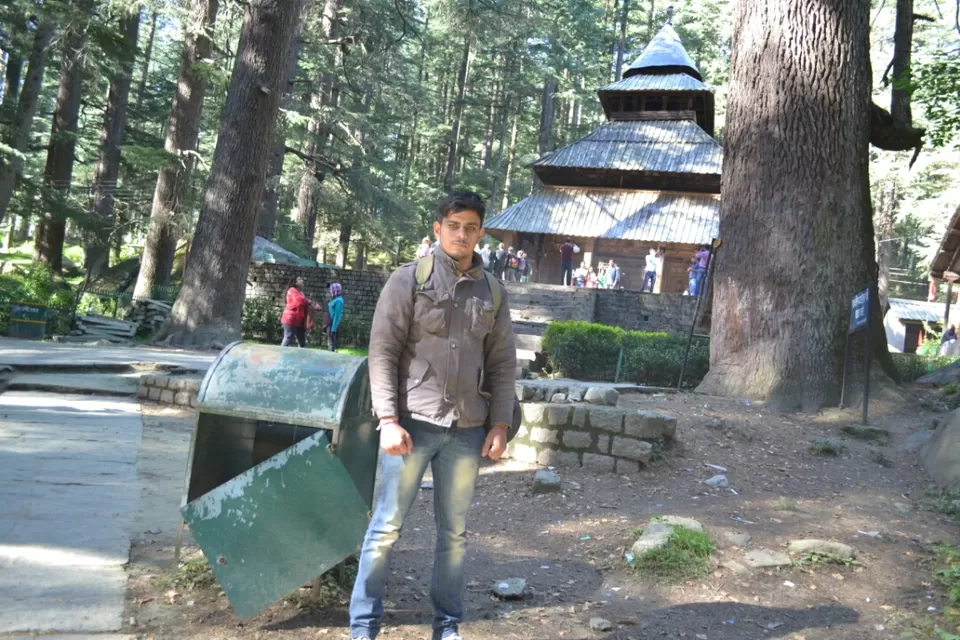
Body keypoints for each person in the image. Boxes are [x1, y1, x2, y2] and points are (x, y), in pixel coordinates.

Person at [351, 191, 516, 640]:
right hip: (411, 426)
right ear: (438, 228)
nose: (462, 234)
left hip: (467, 431)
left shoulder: (494, 292)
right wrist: (387, 419)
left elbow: (502, 363)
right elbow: (381, 352)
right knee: (386, 528)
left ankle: (447, 626)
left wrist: (500, 424)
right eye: (454, 224)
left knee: (455, 535)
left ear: (481, 232)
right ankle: (364, 628)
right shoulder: (408, 280)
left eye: (471, 227)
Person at [280, 276, 312, 347]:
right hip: (290, 319)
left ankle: (302, 355)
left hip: (299, 320)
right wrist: (308, 301)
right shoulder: (292, 290)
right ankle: (281, 353)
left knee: (301, 339)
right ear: (295, 282)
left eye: (302, 279)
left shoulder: (300, 292)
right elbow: (299, 301)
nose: (302, 280)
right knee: (289, 337)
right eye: (299, 279)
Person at [327, 282, 344, 352]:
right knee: (329, 342)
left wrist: (333, 329)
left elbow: (337, 316)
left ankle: (331, 358)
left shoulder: (339, 301)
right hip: (329, 324)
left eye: (331, 290)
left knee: (331, 343)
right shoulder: (334, 299)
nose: (330, 292)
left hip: (332, 325)